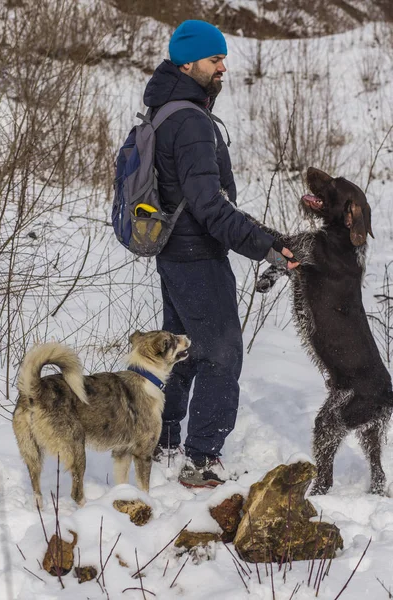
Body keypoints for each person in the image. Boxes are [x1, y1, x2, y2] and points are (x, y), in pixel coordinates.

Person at [143, 20, 298, 488]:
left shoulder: (165, 109)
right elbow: (210, 206)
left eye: (223, 58)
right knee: (221, 356)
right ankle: (201, 460)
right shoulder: (190, 120)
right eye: (214, 59)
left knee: (182, 351)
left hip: (173, 252)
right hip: (196, 255)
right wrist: (267, 246)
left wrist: (261, 235)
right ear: (188, 61)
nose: (223, 67)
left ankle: (164, 442)